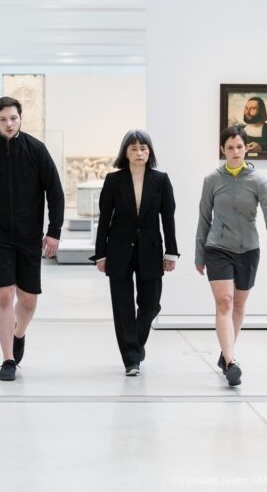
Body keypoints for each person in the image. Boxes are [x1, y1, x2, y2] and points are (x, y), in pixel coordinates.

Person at [0, 96, 65, 381]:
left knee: (29, 301)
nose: (9, 124)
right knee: (5, 294)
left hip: (29, 237)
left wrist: (54, 231)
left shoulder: (36, 150)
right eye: (3, 119)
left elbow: (55, 193)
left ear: (20, 118)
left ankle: (19, 333)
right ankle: (8, 358)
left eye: (13, 118)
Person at [195, 126, 267, 387]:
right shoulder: (212, 179)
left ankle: (226, 354)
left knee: (239, 306)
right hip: (217, 248)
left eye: (239, 147)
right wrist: (199, 253)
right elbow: (203, 218)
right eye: (230, 147)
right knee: (224, 302)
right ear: (222, 149)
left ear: (247, 148)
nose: (235, 152)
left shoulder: (259, 181)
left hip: (248, 250)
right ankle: (232, 363)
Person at [90, 130, 179, 376]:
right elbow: (104, 219)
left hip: (151, 250)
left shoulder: (161, 180)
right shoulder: (113, 180)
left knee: (151, 304)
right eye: (133, 149)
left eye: (143, 148)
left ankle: (135, 345)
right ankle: (131, 359)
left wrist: (171, 253)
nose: (139, 153)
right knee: (122, 306)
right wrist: (100, 254)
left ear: (150, 152)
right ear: (125, 153)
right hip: (118, 249)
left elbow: (168, 219)